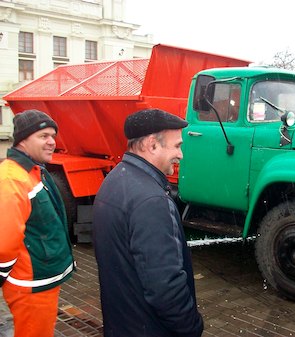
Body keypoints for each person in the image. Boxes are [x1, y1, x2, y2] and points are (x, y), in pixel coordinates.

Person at [92, 108, 204, 337]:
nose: (181, 155)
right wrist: (191, 327)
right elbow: (165, 287)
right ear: (152, 145)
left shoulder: (115, 179)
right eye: (177, 146)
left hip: (123, 323)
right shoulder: (151, 200)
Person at [0, 109, 75, 337]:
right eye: (43, 136)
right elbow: (4, 245)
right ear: (23, 139)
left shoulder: (33, 170)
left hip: (40, 279)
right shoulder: (12, 178)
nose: (52, 142)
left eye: (53, 135)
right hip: (29, 284)